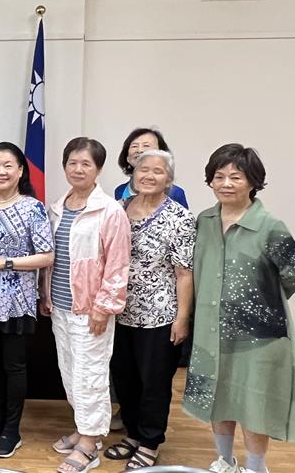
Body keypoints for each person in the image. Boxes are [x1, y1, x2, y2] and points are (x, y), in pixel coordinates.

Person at [183, 144, 295, 473]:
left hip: (259, 339)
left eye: (236, 177)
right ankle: (225, 460)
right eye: (219, 176)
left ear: (253, 181)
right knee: (218, 396)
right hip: (211, 329)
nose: (226, 183)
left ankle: (256, 467)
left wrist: (262, 302)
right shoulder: (205, 221)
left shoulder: (269, 224)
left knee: (255, 404)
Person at [41, 137, 131, 473]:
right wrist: (46, 295)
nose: (78, 169)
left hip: (91, 309)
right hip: (61, 306)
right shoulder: (57, 206)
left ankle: (90, 445)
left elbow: (118, 265)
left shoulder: (109, 210)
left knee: (90, 375)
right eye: (72, 162)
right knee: (69, 372)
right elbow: (52, 259)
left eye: (86, 164)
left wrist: (103, 307)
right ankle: (83, 429)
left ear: (98, 169)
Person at [104, 150, 195, 469]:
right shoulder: (119, 209)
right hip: (119, 311)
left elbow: (184, 273)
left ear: (169, 179)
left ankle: (150, 441)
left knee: (154, 382)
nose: (149, 176)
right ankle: (132, 434)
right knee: (125, 378)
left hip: (160, 314)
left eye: (158, 171)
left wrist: (182, 318)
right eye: (143, 169)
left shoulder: (179, 218)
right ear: (133, 173)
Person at [0, 143, 54, 458]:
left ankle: (12, 431)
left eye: (8, 165)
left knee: (13, 366)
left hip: (17, 300)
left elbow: (46, 256)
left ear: (20, 171)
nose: (1, 171)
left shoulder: (33, 207)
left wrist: (3, 263)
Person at [114, 127, 188, 208]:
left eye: (146, 145)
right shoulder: (120, 191)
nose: (140, 150)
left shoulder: (176, 193)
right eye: (134, 146)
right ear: (127, 157)